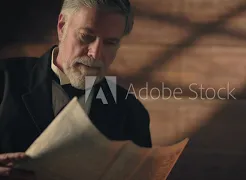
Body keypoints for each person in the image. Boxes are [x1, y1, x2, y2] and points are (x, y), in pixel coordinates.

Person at [0, 0, 152, 179]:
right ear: (62, 27)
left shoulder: (132, 113)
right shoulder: (3, 80)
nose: (95, 54)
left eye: (110, 43)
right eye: (86, 36)